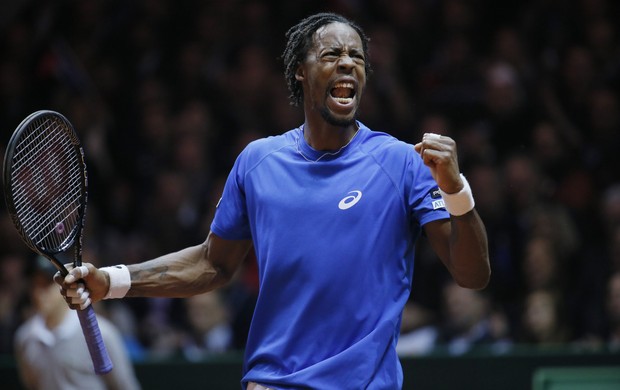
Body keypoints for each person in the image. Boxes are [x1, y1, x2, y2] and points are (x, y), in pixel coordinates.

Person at [56, 12, 490, 389]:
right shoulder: (257, 161)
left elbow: (472, 275)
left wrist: (457, 191)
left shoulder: (400, 162)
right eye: (331, 54)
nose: (347, 63)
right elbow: (213, 263)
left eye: (357, 57)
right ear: (300, 71)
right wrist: (109, 281)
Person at [15, 256, 141, 390]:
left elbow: (125, 386)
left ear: (66, 284)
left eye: (47, 284)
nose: (39, 293)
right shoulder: (24, 337)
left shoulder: (103, 333)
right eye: (35, 284)